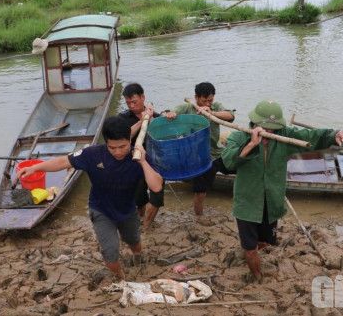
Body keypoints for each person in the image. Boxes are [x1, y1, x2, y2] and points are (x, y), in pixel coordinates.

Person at [221, 100, 343, 283]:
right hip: (248, 203)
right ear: (254, 123)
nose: (269, 133)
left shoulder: (285, 136)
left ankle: (256, 252)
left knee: (266, 242)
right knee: (250, 248)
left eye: (273, 129)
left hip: (272, 200)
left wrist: (334, 134)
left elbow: (312, 137)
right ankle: (257, 278)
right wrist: (252, 144)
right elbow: (229, 162)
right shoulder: (238, 137)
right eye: (265, 128)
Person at [17, 116, 163, 280]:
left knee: (134, 240)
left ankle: (138, 256)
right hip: (101, 211)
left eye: (122, 146)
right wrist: (35, 167)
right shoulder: (92, 154)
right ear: (106, 142)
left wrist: (143, 162)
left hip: (127, 210)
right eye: (112, 147)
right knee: (111, 252)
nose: (118, 152)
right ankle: (121, 277)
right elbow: (62, 162)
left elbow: (156, 186)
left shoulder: (138, 156)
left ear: (130, 139)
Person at [164, 82, 235, 215]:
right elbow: (167, 112)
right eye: (204, 100)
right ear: (196, 97)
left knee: (239, 163)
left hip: (215, 153)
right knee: (200, 191)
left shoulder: (215, 107)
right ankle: (199, 217)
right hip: (197, 157)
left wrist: (211, 112)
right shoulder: (187, 108)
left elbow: (230, 116)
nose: (208, 103)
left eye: (210, 100)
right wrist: (169, 114)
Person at [118, 83, 164, 229]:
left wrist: (169, 115)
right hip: (134, 164)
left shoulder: (155, 116)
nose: (131, 105)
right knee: (139, 199)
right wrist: (142, 120)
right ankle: (139, 220)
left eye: (134, 101)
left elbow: (166, 133)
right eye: (128, 103)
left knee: (157, 197)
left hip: (155, 163)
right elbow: (125, 136)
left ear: (143, 97)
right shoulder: (123, 118)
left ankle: (146, 226)